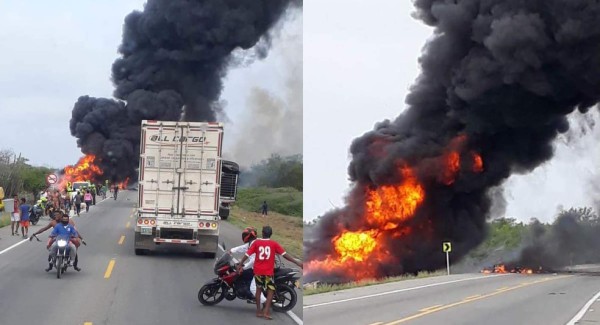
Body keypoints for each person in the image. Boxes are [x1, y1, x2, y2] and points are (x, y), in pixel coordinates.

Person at [237, 226, 302, 320]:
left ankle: (258, 311)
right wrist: (298, 263)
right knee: (270, 291)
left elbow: (247, 254)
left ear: (262, 233)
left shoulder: (257, 243)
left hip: (258, 272)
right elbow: (285, 255)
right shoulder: (274, 244)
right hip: (268, 272)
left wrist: (240, 264)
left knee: (258, 291)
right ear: (270, 234)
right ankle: (266, 312)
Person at [227, 227, 267, 305]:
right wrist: (231, 251)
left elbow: (254, 260)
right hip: (259, 265)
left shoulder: (254, 243)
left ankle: (264, 303)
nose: (243, 236)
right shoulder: (252, 242)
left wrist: (243, 267)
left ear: (248, 236)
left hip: (259, 268)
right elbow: (243, 248)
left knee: (252, 286)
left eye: (245, 235)